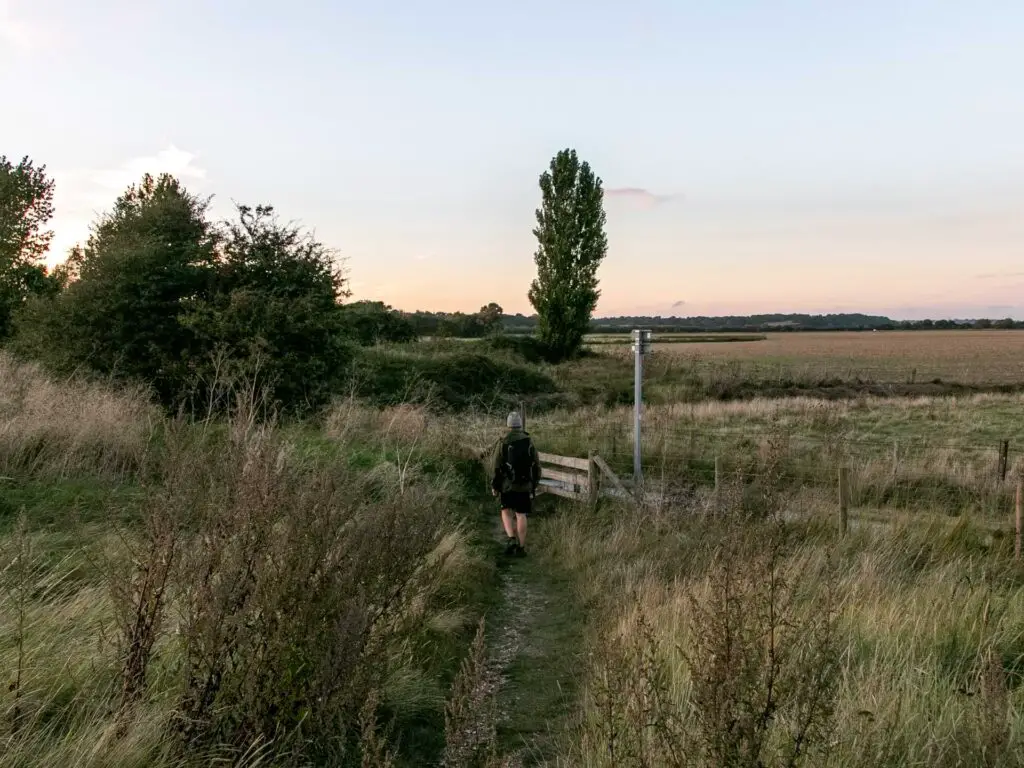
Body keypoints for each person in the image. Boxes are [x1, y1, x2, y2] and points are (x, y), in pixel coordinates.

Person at [490, 411, 541, 556]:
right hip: (525, 485)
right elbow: (536, 464)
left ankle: (511, 539)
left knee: (505, 511)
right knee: (521, 514)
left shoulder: (503, 441)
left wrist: (495, 485)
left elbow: (496, 466)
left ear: (508, 425)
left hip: (508, 485)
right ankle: (521, 547)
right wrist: (534, 483)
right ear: (520, 425)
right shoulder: (529, 441)